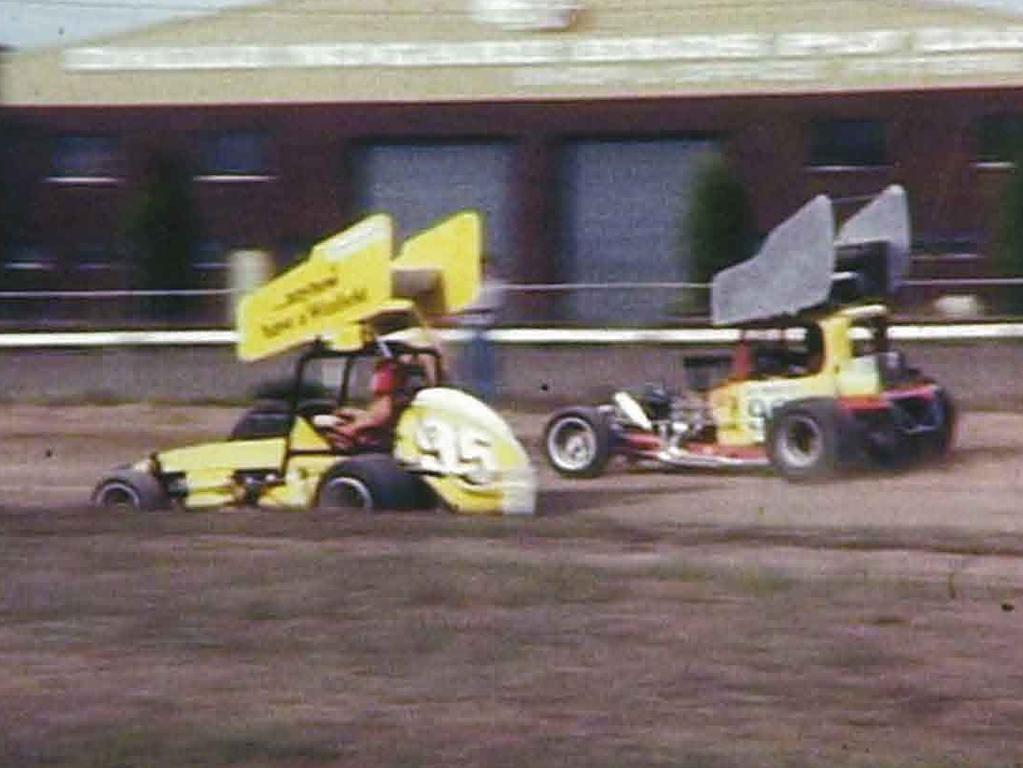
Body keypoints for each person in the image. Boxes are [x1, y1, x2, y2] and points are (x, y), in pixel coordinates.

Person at [323, 357, 407, 452]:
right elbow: (372, 417)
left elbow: (374, 421)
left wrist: (339, 428)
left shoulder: (386, 401)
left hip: (369, 448)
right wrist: (351, 413)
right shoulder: (387, 399)